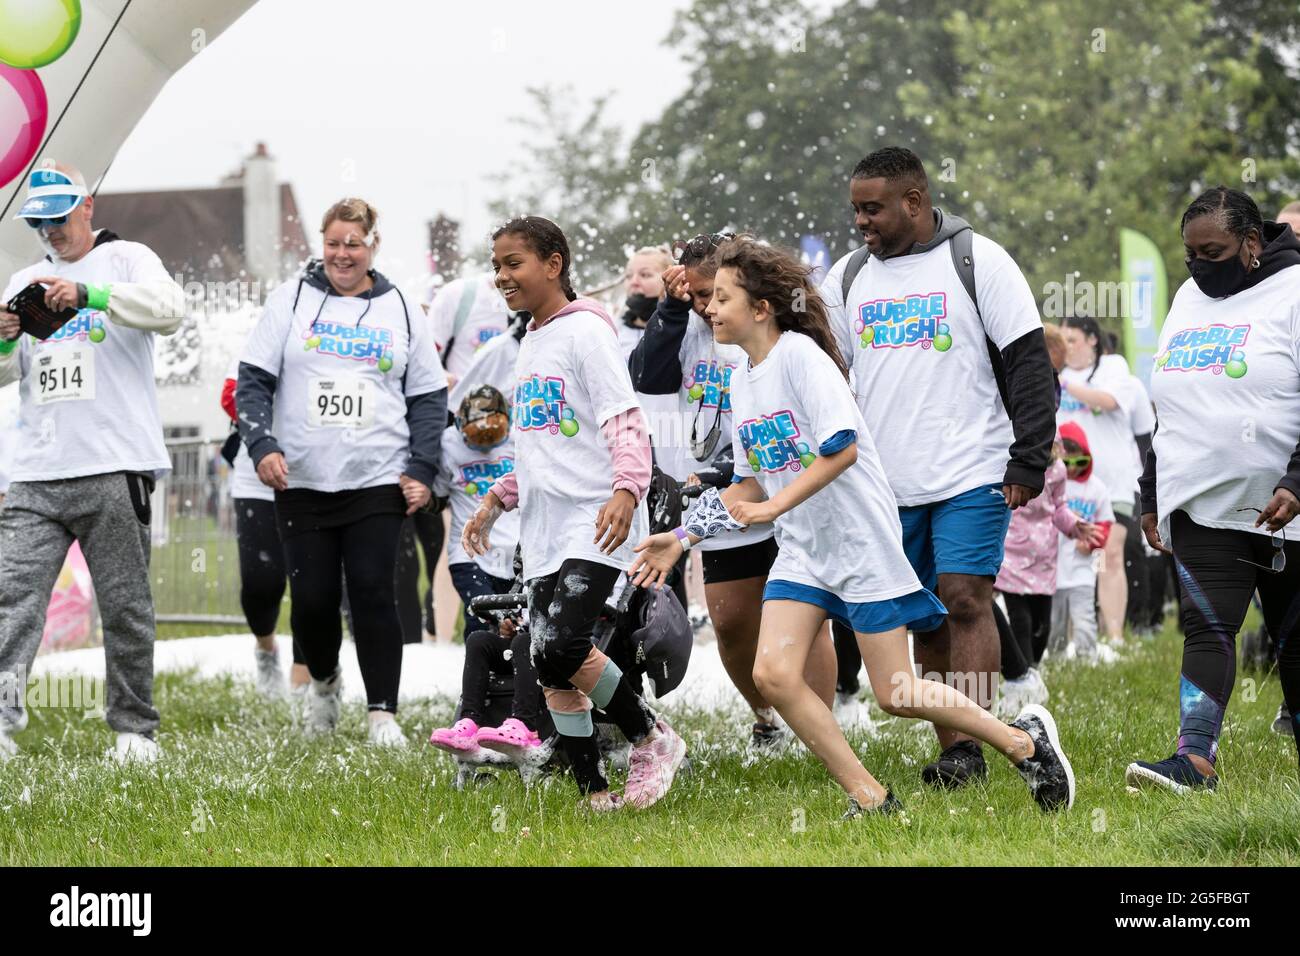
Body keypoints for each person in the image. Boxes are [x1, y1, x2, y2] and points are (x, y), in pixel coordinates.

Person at [630, 239, 1075, 817]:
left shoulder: (801, 358)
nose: (708, 308)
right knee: (774, 674)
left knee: (896, 694)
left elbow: (841, 450)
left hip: (861, 545)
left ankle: (1023, 743)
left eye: (721, 297)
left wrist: (771, 508)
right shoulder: (743, 376)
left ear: (761, 307)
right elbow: (745, 484)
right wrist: (684, 536)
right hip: (804, 552)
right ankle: (871, 798)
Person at [820, 146, 1059, 790]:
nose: (861, 222)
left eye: (872, 209)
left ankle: (976, 747)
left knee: (965, 597)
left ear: (915, 202)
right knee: (925, 611)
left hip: (972, 467)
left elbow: (1029, 365)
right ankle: (955, 742)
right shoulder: (844, 278)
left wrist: (1029, 456)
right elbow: (825, 378)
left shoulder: (979, 261)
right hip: (885, 479)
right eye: (855, 210)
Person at [462, 216, 686, 811]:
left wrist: (627, 489)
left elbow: (624, 417)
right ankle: (594, 791)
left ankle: (649, 737)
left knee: (562, 645)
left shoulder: (587, 331)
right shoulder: (531, 341)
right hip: (543, 528)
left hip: (597, 517)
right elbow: (536, 444)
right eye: (497, 266)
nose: (502, 276)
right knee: (545, 660)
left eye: (514, 263)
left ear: (553, 264)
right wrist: (496, 497)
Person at [237, 197, 447, 748]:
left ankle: (383, 714)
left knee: (375, 591)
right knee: (310, 602)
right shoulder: (292, 300)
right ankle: (325, 683)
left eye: (353, 243)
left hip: (377, 475)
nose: (342, 254)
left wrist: (421, 466)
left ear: (373, 246)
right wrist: (261, 444)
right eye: (333, 243)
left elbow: (428, 395)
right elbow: (253, 380)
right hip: (302, 479)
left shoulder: (399, 305)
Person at [0, 164, 185, 763]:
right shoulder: (24, 278)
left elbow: (169, 309)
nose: (50, 231)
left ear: (87, 206)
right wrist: (4, 338)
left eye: (58, 217)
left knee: (125, 604)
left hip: (114, 462)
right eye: (38, 221)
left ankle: (134, 730)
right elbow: (7, 373)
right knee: (12, 597)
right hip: (35, 469)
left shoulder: (129, 258)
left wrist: (92, 296)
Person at [629, 231, 834, 749]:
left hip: (787, 482)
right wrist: (671, 310)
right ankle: (768, 718)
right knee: (732, 621)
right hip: (720, 497)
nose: (706, 306)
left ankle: (821, 721)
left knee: (808, 618)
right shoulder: (690, 323)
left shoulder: (764, 326)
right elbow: (645, 377)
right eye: (697, 295)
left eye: (714, 295)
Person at [1130, 186, 1300, 790]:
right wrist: (1153, 492)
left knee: (1293, 640)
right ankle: (1194, 759)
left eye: (1214, 251)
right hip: (1202, 502)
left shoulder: (1294, 291)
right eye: (1189, 254)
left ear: (1252, 244)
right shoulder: (1187, 298)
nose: (1200, 265)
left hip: (1285, 512)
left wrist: (1296, 481)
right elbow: (1167, 402)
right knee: (1207, 627)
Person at [220, 359, 308, 697]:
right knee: (260, 581)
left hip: (315, 476)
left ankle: (306, 672)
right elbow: (231, 396)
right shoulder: (260, 336)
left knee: (311, 580)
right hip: (256, 476)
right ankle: (266, 648)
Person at [1058, 315, 1140, 645]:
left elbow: (1107, 401)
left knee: (1108, 554)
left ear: (1092, 339)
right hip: (1069, 484)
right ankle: (1069, 639)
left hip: (1113, 481)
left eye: (1072, 339)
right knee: (1068, 557)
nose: (1066, 347)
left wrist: (1064, 384)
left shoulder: (1113, 367)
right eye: (1061, 341)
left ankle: (1115, 635)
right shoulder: (1055, 373)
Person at [1049, 424, 1114, 663]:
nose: (1074, 468)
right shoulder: (1052, 484)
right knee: (1055, 620)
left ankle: (1087, 657)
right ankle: (1055, 656)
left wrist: (1093, 544)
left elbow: (1106, 523)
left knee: (1084, 616)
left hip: (1083, 570)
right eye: (1068, 463)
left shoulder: (1096, 488)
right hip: (1053, 569)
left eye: (1081, 461)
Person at [429, 273, 510, 390]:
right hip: (461, 402)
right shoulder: (457, 294)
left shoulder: (537, 303)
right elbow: (424, 359)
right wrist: (448, 381)